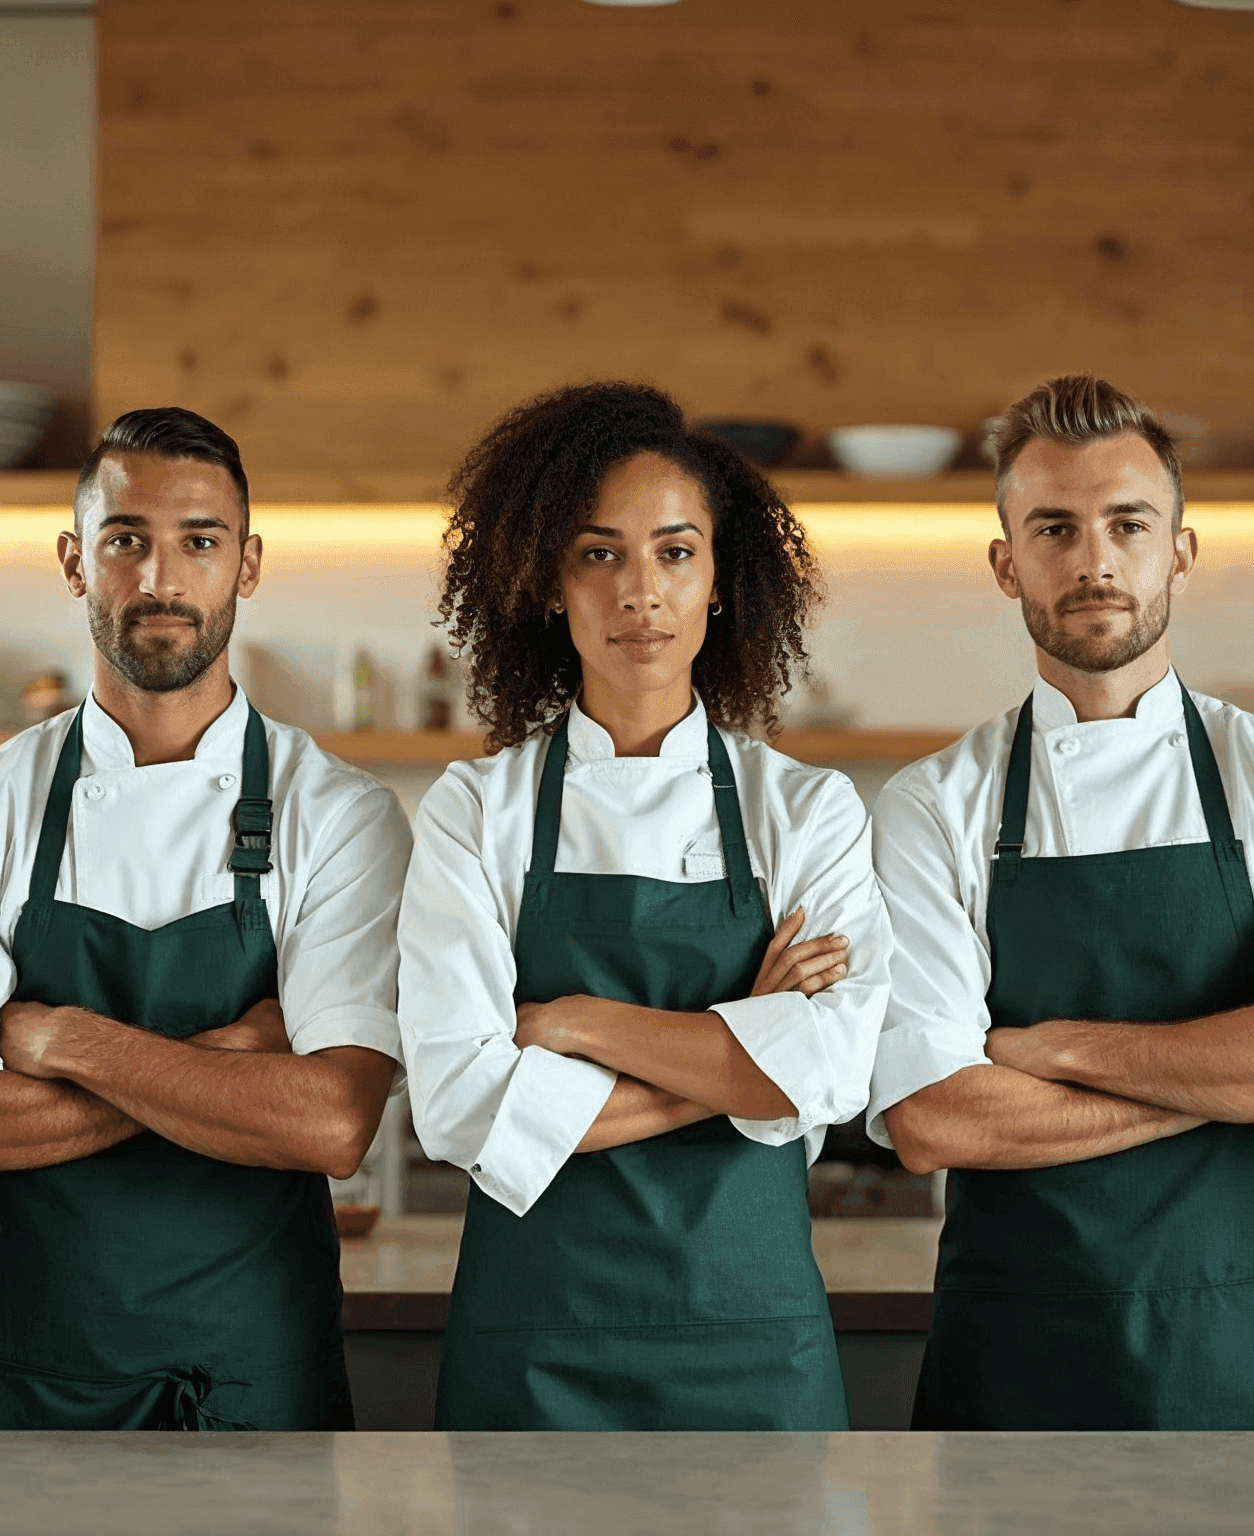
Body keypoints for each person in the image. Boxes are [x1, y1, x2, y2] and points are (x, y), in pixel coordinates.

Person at [869, 376, 1254, 1430]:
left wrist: (1041, 1046)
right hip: (1014, 1357)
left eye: (1128, 524)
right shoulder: (933, 804)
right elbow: (932, 1118)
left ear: (1181, 554)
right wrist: (1237, 1059)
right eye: (1054, 528)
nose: (1094, 559)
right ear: (1006, 562)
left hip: (1243, 1350)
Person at [0, 407, 406, 1431]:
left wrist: (64, 1038)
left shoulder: (337, 812)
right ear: (76, 560)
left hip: (253, 1376)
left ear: (247, 564)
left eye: (200, 542)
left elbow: (334, 1122)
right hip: (17, 1379)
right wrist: (230, 1067)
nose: (161, 580)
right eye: (126, 540)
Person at [397, 382, 885, 1430]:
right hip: (535, 1352)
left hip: (751, 1348)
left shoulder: (806, 809)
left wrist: (576, 1025)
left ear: (720, 582)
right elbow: (457, 1108)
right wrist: (743, 1054)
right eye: (598, 553)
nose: (640, 592)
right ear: (545, 583)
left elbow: (833, 1075)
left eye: (674, 552)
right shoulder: (475, 811)